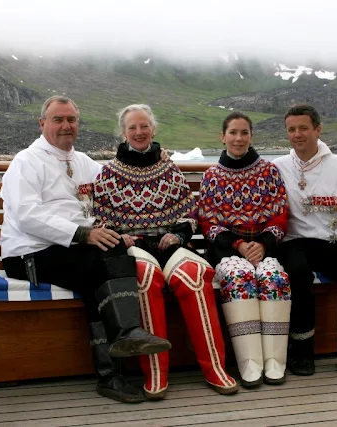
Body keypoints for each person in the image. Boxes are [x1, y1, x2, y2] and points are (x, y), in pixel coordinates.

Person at [0, 95, 171, 404]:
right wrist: (84, 234)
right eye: (58, 119)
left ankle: (112, 371)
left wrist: (156, 159)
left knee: (104, 265)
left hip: (73, 250)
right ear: (42, 124)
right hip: (30, 255)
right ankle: (123, 343)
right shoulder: (26, 162)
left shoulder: (83, 163)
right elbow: (27, 217)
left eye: (71, 120)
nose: (66, 126)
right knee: (102, 262)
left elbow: (121, 183)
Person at [91, 104, 238, 400]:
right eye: (132, 127)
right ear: (123, 133)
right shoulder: (108, 174)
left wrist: (180, 233)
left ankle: (215, 368)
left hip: (169, 244)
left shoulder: (169, 168)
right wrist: (122, 237)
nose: (139, 132)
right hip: (134, 247)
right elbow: (99, 218)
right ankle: (156, 372)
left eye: (144, 126)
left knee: (194, 276)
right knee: (144, 278)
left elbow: (189, 213)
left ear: (153, 129)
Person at [273, 104, 337, 377]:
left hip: (332, 242)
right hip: (295, 242)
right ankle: (301, 353)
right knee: (297, 273)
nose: (297, 134)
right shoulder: (277, 167)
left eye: (303, 128)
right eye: (291, 129)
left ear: (318, 129)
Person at [198, 112, 291, 388]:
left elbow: (280, 215)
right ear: (223, 137)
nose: (238, 138)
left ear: (251, 136)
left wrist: (263, 244)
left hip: (264, 247)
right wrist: (237, 244)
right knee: (239, 279)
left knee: (273, 279)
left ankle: (274, 361)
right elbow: (207, 221)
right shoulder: (211, 176)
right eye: (233, 133)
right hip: (227, 250)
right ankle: (249, 362)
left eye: (244, 133)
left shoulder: (268, 171)